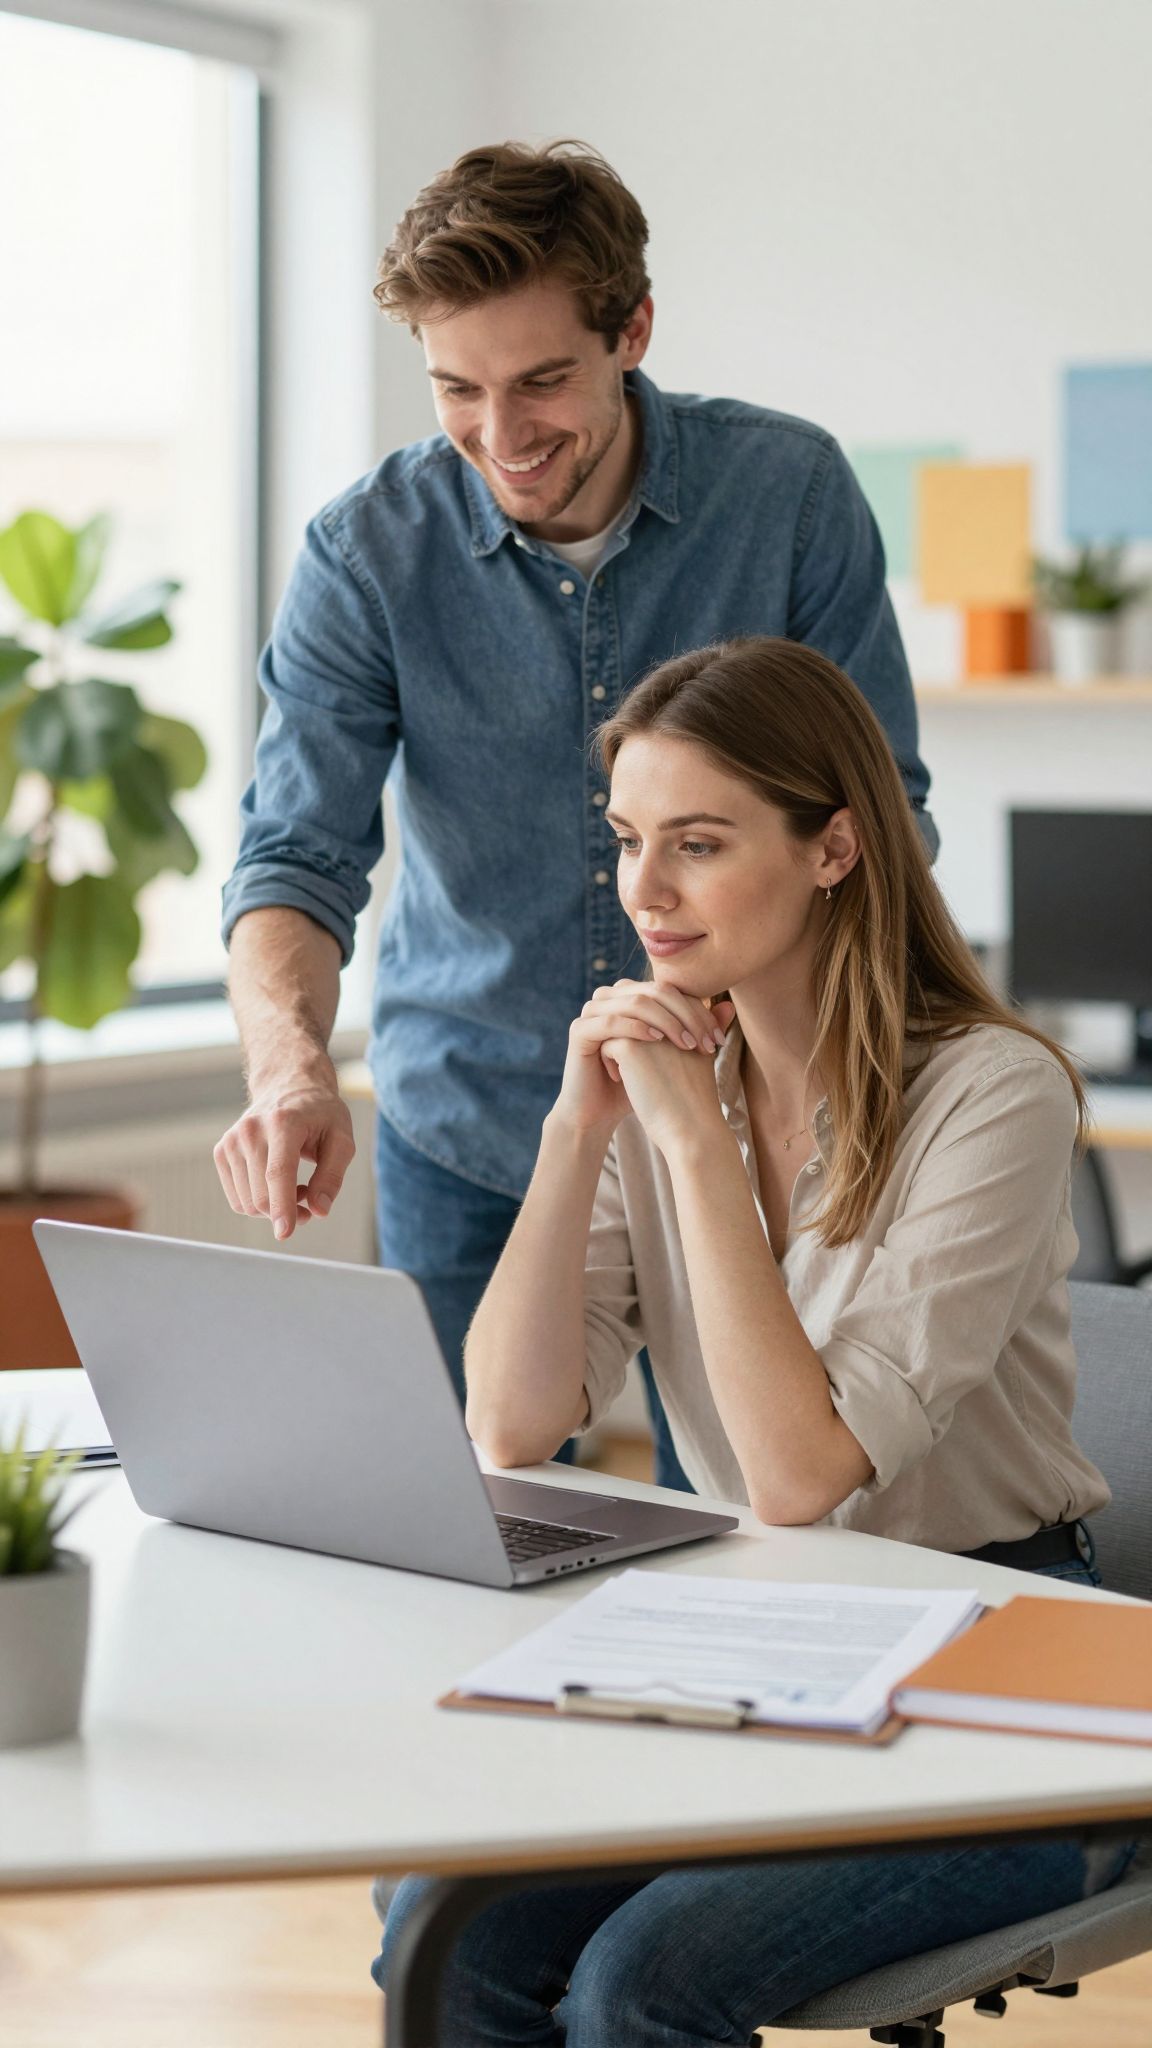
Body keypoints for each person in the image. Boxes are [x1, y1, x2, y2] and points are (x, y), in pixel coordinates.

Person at [375, 636, 1131, 2046]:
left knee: (644, 1984)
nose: (644, 894)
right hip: (766, 1634)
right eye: (629, 842)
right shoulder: (658, 1084)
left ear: (834, 846)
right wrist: (576, 1126)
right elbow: (512, 1423)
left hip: (995, 1668)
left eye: (700, 845)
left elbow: (801, 1476)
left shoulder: (995, 1095)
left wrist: (689, 1142)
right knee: (444, 1917)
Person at [214, 140, 935, 1487]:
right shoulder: (366, 552)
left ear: (632, 332)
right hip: (476, 1122)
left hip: (759, 1130)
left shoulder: (787, 498)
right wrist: (290, 1070)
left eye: (542, 379)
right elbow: (295, 859)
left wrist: (767, 1061)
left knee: (763, 1530)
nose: (503, 434)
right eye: (457, 390)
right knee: (451, 1526)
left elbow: (882, 818)